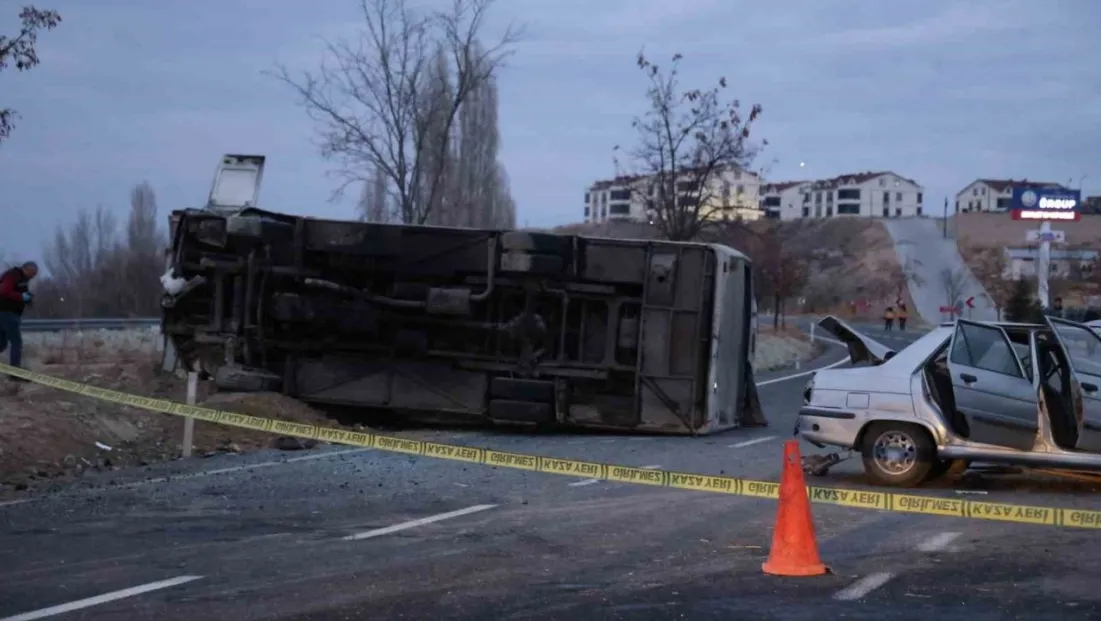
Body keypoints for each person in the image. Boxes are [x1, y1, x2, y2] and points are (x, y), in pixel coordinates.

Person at [0, 261, 38, 379]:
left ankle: (14, 371)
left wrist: (27, 299)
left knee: (2, 344)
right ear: (27, 269)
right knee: (16, 342)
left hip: (11, 313)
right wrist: (20, 297)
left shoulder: (23, 279)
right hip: (6, 312)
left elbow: (18, 291)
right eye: (33, 272)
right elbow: (3, 291)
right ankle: (14, 373)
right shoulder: (13, 275)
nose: (34, 275)